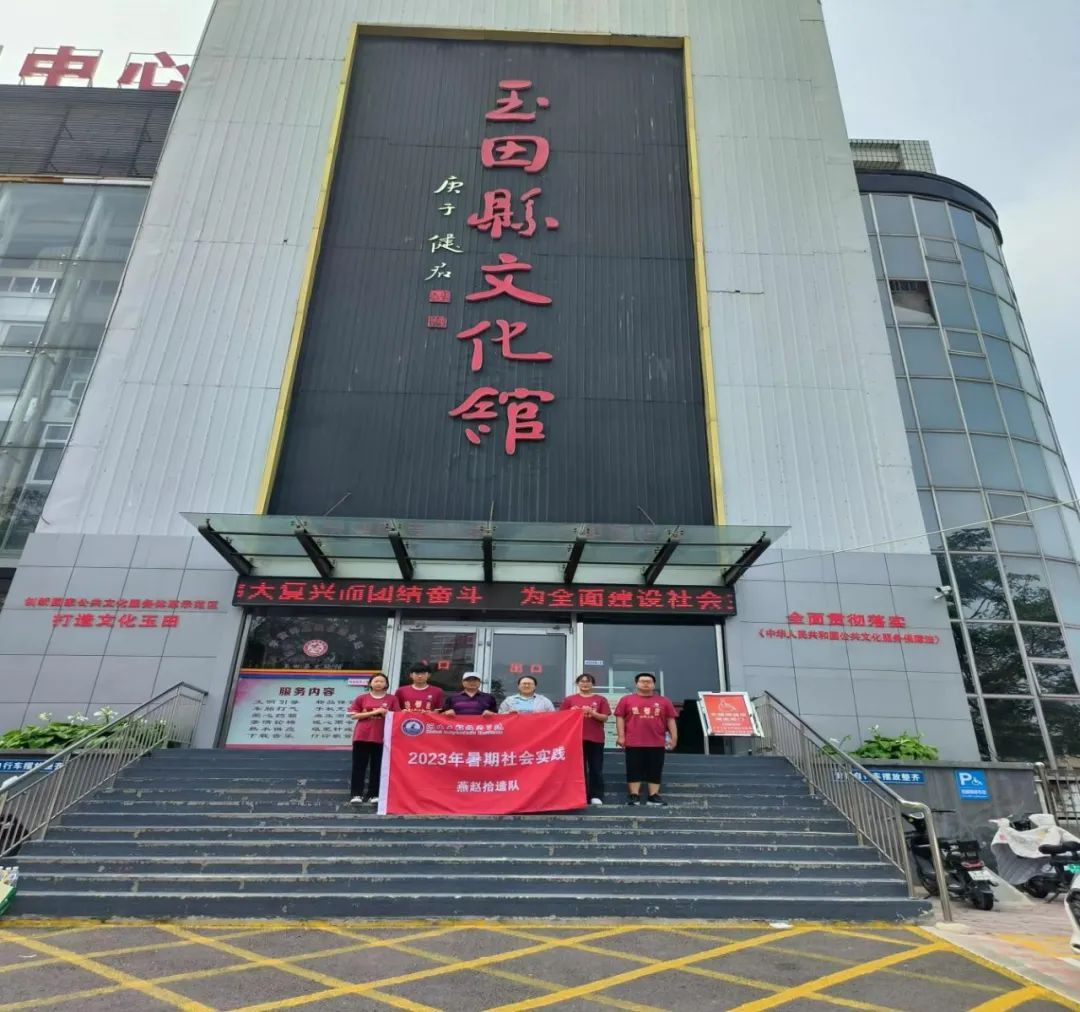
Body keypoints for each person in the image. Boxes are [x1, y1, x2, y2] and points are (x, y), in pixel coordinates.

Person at [614, 672, 677, 807]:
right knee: (633, 768)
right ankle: (634, 795)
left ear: (654, 684)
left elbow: (670, 720)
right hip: (633, 741)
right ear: (636, 684)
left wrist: (674, 737)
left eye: (649, 681)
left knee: (655, 768)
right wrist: (621, 736)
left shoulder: (664, 701)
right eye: (642, 681)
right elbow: (619, 718)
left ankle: (653, 796)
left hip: (657, 741)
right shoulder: (626, 700)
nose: (646, 684)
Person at [347, 672, 399, 804]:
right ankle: (356, 794)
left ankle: (374, 794)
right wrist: (375, 712)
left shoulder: (392, 699)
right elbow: (353, 715)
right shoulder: (362, 698)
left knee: (377, 767)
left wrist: (387, 713)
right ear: (370, 683)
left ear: (386, 684)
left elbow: (397, 716)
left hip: (382, 737)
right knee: (359, 766)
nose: (379, 683)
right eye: (376, 681)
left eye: (382, 681)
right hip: (362, 736)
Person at [559, 672, 610, 806]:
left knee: (595, 768)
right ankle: (578, 795)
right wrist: (573, 712)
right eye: (582, 681)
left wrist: (592, 712)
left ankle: (596, 795)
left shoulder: (600, 699)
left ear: (593, 684)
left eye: (588, 681)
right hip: (574, 738)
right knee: (577, 769)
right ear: (577, 684)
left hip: (595, 738)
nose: (585, 684)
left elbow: (605, 717)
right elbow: (561, 718)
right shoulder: (569, 700)